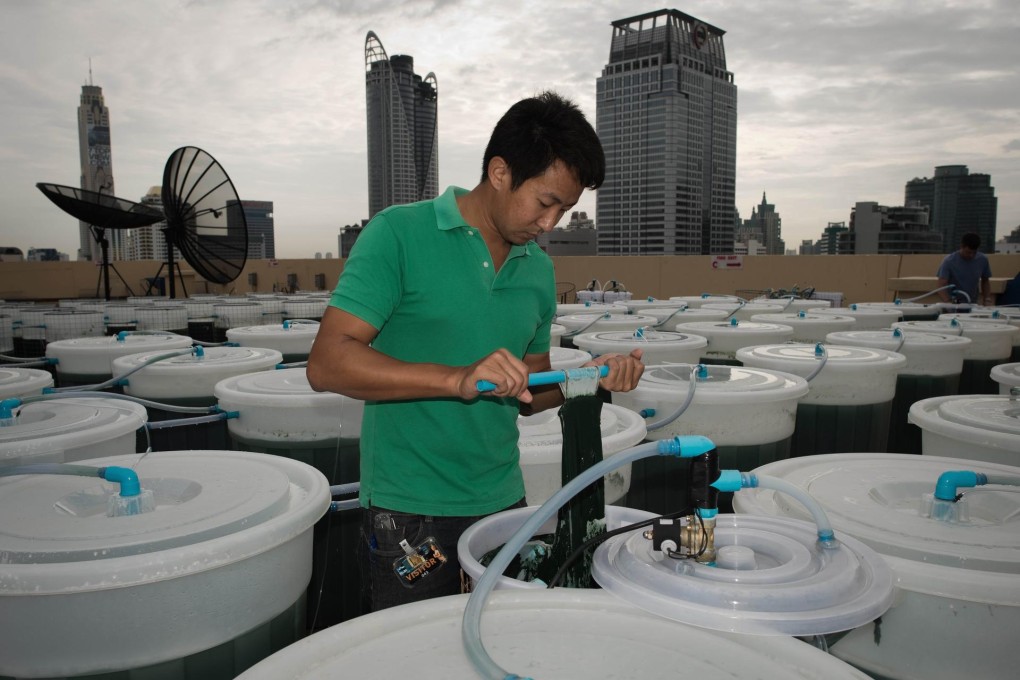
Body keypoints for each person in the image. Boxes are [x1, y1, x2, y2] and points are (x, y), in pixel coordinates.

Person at [306, 91, 645, 612]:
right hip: (410, 515)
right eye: (546, 202)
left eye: (566, 209)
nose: (551, 224)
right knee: (417, 655)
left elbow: (532, 390)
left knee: (494, 644)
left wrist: (591, 378)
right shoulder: (399, 234)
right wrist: (457, 378)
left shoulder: (537, 270)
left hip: (502, 504)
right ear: (501, 171)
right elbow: (327, 362)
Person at [936, 232, 992, 305]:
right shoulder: (949, 261)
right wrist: (948, 302)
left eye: (974, 253)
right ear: (962, 246)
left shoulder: (983, 260)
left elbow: (985, 281)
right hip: (953, 304)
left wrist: (987, 299)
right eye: (968, 252)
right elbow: (941, 285)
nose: (971, 255)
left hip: (972, 304)